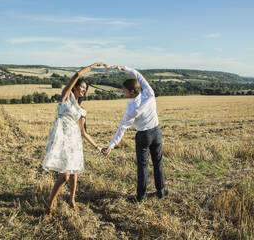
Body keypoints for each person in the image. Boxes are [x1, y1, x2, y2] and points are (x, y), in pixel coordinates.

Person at [42, 62, 106, 215]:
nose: (83, 90)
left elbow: (84, 132)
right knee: (64, 175)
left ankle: (72, 199)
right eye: (81, 87)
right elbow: (77, 75)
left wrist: (98, 148)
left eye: (85, 89)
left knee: (74, 172)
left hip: (74, 141)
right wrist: (93, 66)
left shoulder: (82, 110)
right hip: (61, 138)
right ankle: (50, 206)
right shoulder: (65, 97)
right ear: (74, 87)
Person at [103, 65, 167, 202]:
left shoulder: (132, 107)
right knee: (158, 162)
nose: (123, 92)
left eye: (124, 90)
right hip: (156, 132)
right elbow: (137, 74)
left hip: (144, 136)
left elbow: (122, 127)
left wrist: (112, 145)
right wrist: (123, 68)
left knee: (143, 167)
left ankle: (140, 196)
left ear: (132, 92)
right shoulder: (149, 92)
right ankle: (161, 191)